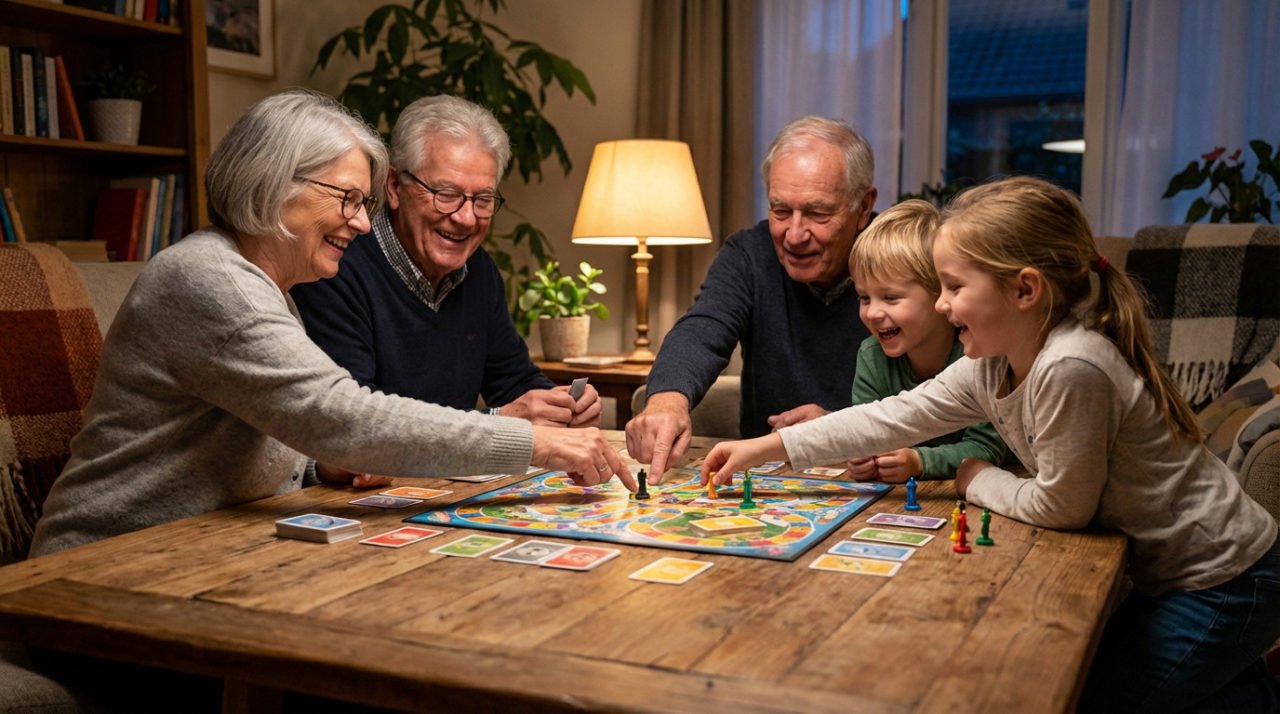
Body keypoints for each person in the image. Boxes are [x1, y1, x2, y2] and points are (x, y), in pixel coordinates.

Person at [699, 176, 1280, 713]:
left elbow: (1062, 507)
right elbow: (891, 416)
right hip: (1177, 576)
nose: (943, 304)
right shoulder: (992, 361)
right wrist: (764, 449)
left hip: (1224, 578)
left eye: (953, 286)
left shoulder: (1072, 366)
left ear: (1024, 290)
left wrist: (974, 477)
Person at [30, 89, 633, 559]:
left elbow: (274, 437)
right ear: (274, 187)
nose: (363, 223)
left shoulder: (270, 283)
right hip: (101, 567)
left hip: (195, 548)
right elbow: (342, 415)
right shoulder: (209, 279)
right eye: (348, 199)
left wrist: (322, 467)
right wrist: (532, 441)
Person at [291, 95, 599, 428]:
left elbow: (513, 383)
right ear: (394, 186)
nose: (466, 218)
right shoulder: (335, 268)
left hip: (447, 479)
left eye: (482, 199)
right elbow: (355, 423)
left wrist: (564, 405)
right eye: (446, 195)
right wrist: (497, 420)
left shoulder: (478, 271)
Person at [626, 116, 878, 482]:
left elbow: (937, 398)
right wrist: (667, 401)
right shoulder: (749, 254)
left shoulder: (900, 257)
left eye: (817, 213)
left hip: (877, 477)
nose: (793, 234)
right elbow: (702, 329)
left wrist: (840, 429)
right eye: (780, 210)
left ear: (863, 207)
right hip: (764, 481)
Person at [845, 199, 1006, 481]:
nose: (872, 312)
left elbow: (986, 447)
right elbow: (864, 431)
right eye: (864, 297)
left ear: (939, 293)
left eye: (890, 297)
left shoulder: (981, 354)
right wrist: (862, 457)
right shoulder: (870, 356)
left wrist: (920, 461)